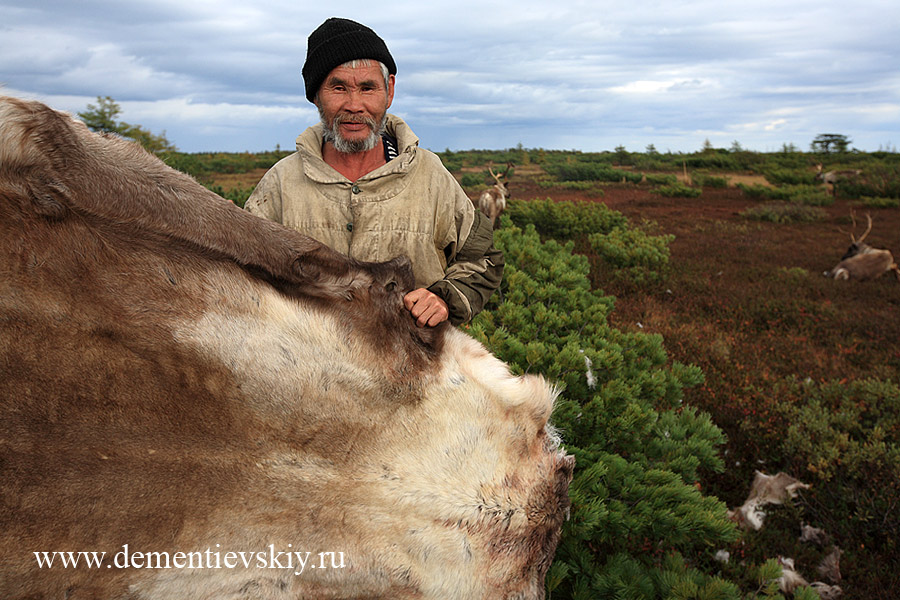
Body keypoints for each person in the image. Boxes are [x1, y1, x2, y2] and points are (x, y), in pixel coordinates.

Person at [245, 17, 503, 327]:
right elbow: (243, 277)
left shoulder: (430, 176)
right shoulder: (280, 185)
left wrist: (445, 298)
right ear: (316, 95)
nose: (354, 105)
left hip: (415, 370)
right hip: (308, 374)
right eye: (338, 87)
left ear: (389, 90)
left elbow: (483, 260)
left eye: (368, 88)